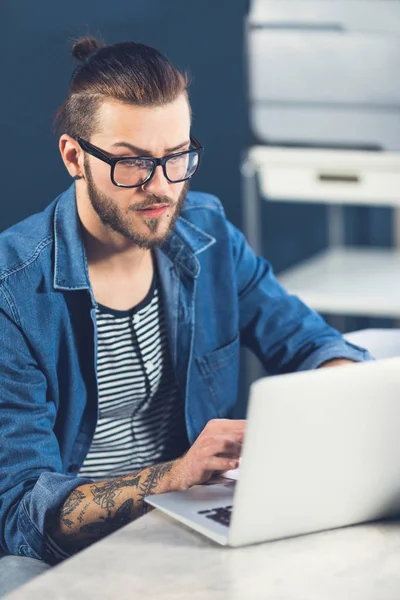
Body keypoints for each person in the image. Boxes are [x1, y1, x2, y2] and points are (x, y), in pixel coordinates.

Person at [0, 37, 369, 592]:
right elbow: (23, 512)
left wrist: (345, 402)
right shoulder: (13, 292)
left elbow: (310, 343)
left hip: (194, 524)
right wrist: (173, 478)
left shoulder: (208, 231)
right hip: (61, 555)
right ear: (74, 157)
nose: (163, 187)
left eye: (177, 157)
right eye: (131, 163)